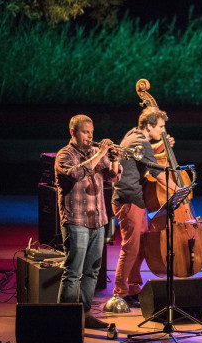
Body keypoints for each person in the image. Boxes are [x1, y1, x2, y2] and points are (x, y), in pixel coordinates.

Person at [55, 114, 122, 328]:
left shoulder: (95, 153)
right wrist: (101, 153)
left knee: (92, 271)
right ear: (73, 132)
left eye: (91, 132)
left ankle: (85, 315)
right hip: (76, 220)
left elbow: (113, 177)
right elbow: (75, 174)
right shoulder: (64, 154)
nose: (90, 137)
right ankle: (65, 320)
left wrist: (114, 159)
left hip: (98, 220)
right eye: (85, 132)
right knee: (73, 272)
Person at [111, 107, 176, 307]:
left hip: (133, 200)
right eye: (160, 127)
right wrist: (179, 189)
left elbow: (142, 155)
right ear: (149, 126)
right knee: (131, 248)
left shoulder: (133, 135)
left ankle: (133, 288)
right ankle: (120, 293)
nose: (163, 131)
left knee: (139, 247)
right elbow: (157, 173)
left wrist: (160, 146)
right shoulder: (141, 142)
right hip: (129, 200)